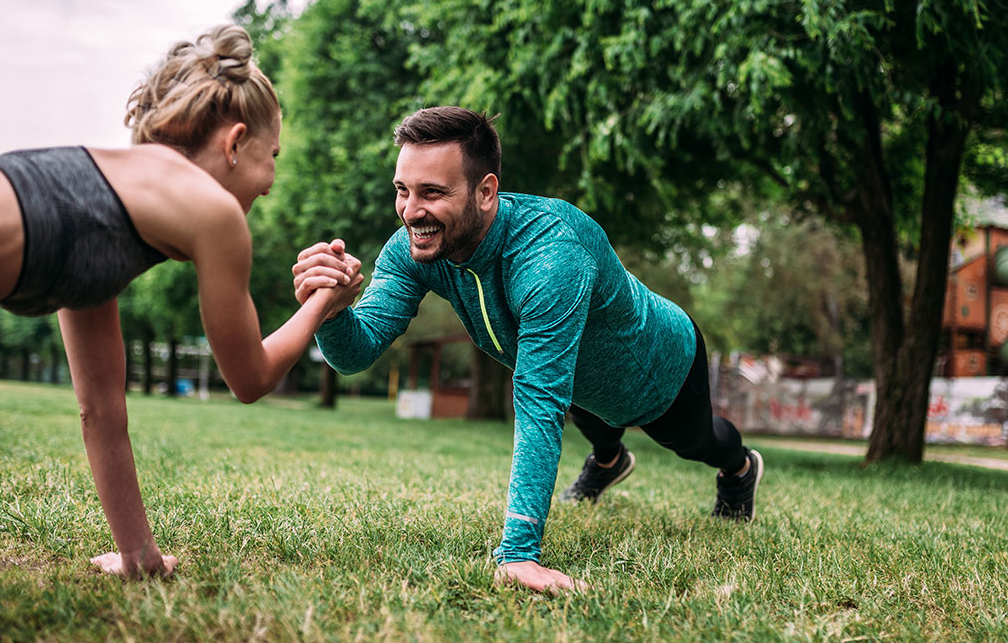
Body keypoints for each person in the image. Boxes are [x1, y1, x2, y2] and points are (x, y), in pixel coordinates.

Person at [0, 24, 362, 579]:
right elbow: (250, 377)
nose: (271, 180)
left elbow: (102, 411)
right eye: (273, 156)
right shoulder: (213, 212)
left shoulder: (103, 211)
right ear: (235, 143)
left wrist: (140, 557)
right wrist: (323, 302)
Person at [292, 106, 762, 594]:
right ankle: (608, 463)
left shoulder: (551, 252)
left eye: (432, 192)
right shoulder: (416, 247)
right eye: (403, 190)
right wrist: (330, 311)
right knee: (593, 419)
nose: (411, 211)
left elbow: (539, 401)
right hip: (580, 380)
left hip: (656, 368)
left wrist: (519, 553)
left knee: (696, 441)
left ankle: (740, 468)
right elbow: (356, 353)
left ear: (486, 191)